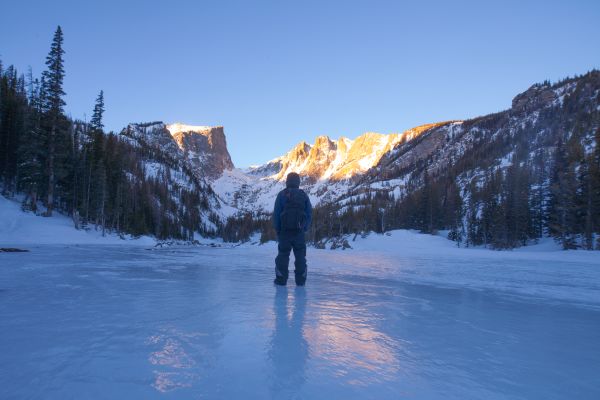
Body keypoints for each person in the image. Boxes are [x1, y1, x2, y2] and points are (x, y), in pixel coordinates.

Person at [272, 172, 312, 286]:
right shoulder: (303, 195)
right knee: (300, 256)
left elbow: (276, 214)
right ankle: (301, 281)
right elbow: (309, 214)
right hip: (299, 233)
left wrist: (278, 230)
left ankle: (281, 280)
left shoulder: (282, 194)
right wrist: (304, 228)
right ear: (298, 182)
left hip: (284, 233)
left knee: (283, 255)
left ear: (287, 182)